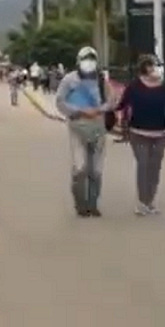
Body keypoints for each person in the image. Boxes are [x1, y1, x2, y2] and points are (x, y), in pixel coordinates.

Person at [116, 54, 165, 216]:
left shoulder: (164, 87)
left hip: (160, 133)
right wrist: (116, 113)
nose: (156, 68)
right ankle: (142, 202)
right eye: (152, 65)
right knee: (143, 164)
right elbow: (122, 104)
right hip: (138, 132)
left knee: (155, 167)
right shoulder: (134, 86)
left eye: (157, 65)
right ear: (144, 68)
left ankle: (150, 200)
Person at [55, 47, 116, 218]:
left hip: (98, 127)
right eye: (85, 58)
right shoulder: (69, 80)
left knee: (96, 170)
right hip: (77, 127)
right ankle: (80, 205)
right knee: (80, 167)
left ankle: (93, 204)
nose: (88, 62)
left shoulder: (102, 79)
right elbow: (60, 101)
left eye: (91, 58)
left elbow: (112, 100)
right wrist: (80, 111)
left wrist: (99, 109)